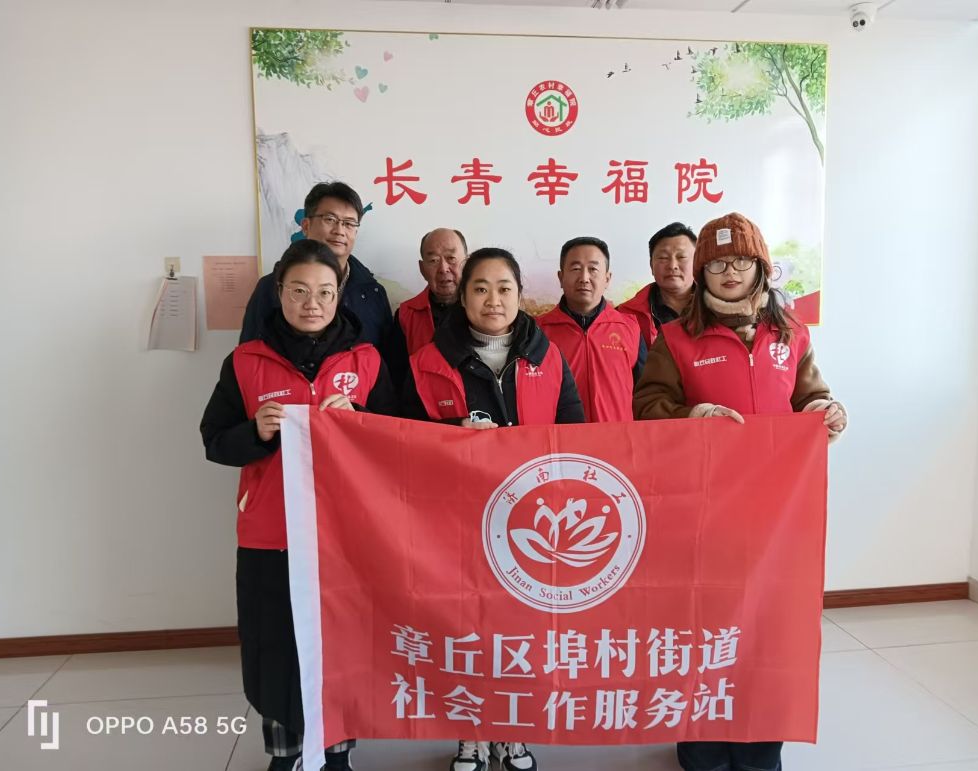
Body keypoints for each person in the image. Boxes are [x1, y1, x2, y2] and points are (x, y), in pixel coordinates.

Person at [632, 213, 846, 771]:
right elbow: (647, 407)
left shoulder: (792, 334)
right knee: (704, 628)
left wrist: (825, 410)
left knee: (767, 631)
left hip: (777, 514)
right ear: (702, 272)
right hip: (701, 511)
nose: (730, 272)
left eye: (742, 261)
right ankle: (701, 748)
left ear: (761, 268)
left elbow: (809, 397)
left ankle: (759, 747)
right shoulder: (675, 339)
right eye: (718, 263)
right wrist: (693, 415)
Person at [201, 239, 396, 771]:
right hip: (272, 532)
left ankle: (337, 752)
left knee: (343, 644)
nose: (313, 303)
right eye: (300, 291)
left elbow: (401, 441)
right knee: (275, 645)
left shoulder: (367, 360)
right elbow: (214, 440)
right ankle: (284, 751)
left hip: (348, 534)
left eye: (325, 293)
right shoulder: (245, 362)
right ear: (279, 293)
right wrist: (256, 432)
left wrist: (358, 419)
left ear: (339, 297)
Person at [403, 247, 584, 771]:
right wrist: (453, 434)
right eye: (480, 288)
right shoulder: (426, 362)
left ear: (520, 294)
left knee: (520, 630)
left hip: (529, 522)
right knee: (462, 626)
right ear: (462, 296)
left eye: (504, 288)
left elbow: (573, 429)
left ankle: (513, 730)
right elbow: (400, 438)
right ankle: (469, 733)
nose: (493, 300)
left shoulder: (547, 356)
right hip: (453, 520)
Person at [240, 181, 394, 356]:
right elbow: (249, 357)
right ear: (306, 226)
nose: (339, 231)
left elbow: (387, 360)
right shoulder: (271, 287)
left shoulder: (373, 292)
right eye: (330, 219)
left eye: (349, 223)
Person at [537, 236, 645, 422]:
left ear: (607, 279)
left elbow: (645, 395)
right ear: (561, 278)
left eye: (593, 269)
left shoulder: (630, 328)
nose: (584, 278)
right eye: (576, 269)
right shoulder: (539, 332)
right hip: (563, 438)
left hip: (618, 437)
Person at [384, 227, 468, 387]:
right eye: (434, 260)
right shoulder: (406, 315)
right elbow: (397, 378)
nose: (443, 268)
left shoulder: (485, 310)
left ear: (467, 263)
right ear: (422, 269)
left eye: (451, 258)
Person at [616, 222, 697, 347]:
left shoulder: (718, 309)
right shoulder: (625, 315)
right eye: (663, 258)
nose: (672, 266)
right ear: (651, 266)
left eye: (681, 257)